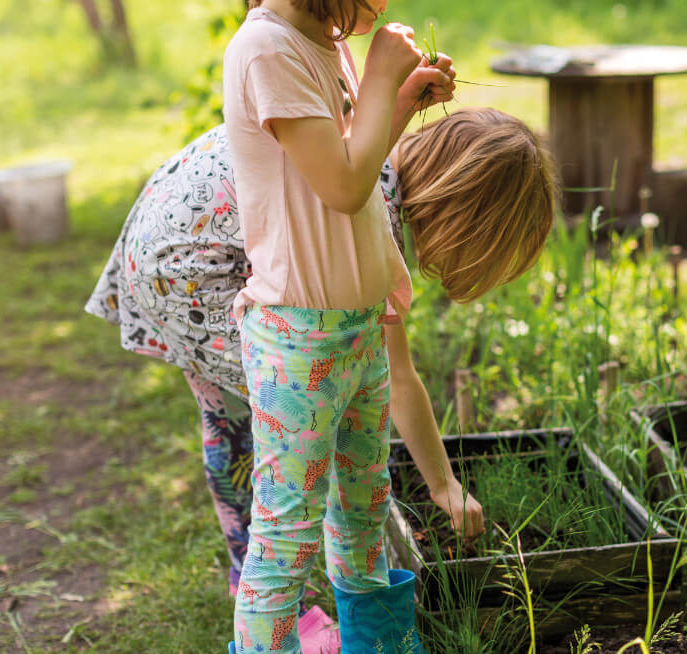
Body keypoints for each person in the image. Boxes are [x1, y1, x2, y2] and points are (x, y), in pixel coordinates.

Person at [88, 39, 554, 654]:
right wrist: (440, 486)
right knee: (314, 412)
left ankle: (248, 575)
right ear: (463, 221)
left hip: (165, 249)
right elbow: (396, 375)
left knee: (231, 420)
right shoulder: (368, 209)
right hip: (202, 274)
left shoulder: (363, 146)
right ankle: (298, 606)